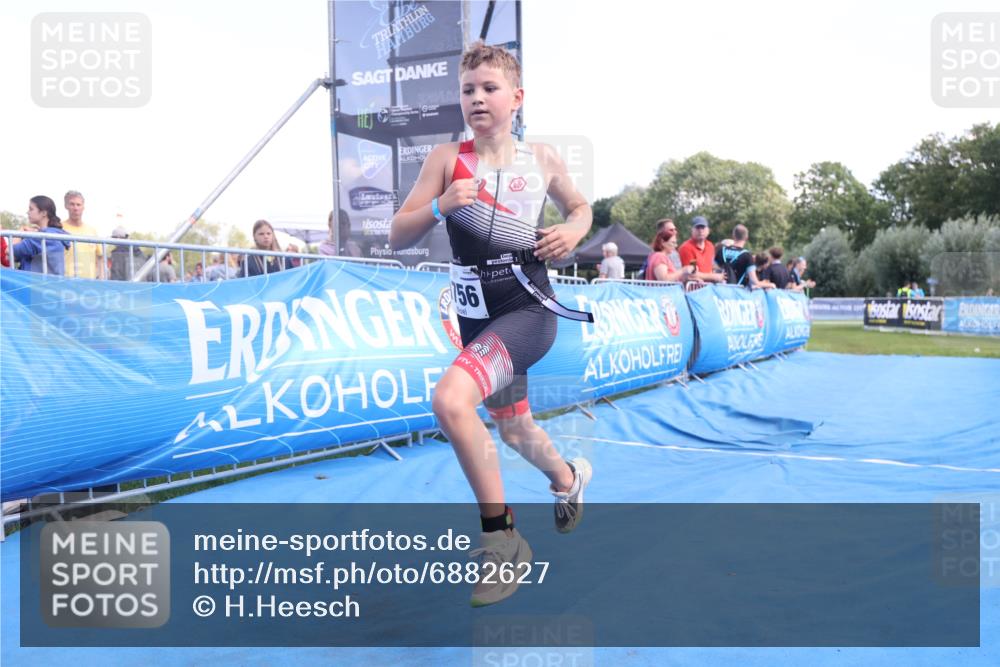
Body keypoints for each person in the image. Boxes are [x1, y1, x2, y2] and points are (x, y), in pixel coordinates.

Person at [388, 41, 593, 607]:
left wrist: (573, 230)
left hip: (529, 310)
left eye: (489, 88)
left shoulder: (541, 158)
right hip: (477, 319)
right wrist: (441, 206)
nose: (476, 98)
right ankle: (568, 479)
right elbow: (398, 234)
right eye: (467, 90)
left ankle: (502, 541)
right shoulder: (444, 160)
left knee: (451, 401)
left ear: (517, 97)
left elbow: (581, 208)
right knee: (514, 429)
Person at [12, 196, 71, 274]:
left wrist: (20, 231)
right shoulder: (46, 235)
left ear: (43, 213)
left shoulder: (44, 237)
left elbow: (9, 251)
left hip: (36, 281)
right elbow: (13, 257)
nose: (27, 212)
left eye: (31, 209)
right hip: (39, 281)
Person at [61, 190, 104, 279]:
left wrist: (102, 278)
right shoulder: (59, 229)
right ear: (66, 206)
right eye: (72, 204)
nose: (75, 208)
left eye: (78, 204)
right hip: (66, 283)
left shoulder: (92, 231)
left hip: (89, 284)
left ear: (83, 207)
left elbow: (100, 257)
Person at [715, 224, 769, 288]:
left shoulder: (721, 251)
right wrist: (770, 285)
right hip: (736, 291)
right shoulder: (747, 255)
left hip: (719, 290)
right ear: (746, 237)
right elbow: (754, 281)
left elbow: (713, 270)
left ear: (733, 235)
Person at [678, 216, 724, 283]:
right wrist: (714, 276)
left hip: (708, 286)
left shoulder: (710, 246)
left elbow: (711, 267)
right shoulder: (686, 248)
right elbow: (692, 273)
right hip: (692, 286)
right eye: (697, 228)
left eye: (703, 227)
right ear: (692, 230)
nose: (700, 230)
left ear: (708, 230)